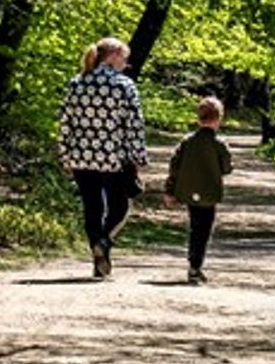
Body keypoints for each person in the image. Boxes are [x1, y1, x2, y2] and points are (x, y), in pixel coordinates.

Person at [58, 37, 147, 279]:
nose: (126, 64)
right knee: (120, 206)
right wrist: (138, 157)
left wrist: (65, 154)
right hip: (112, 158)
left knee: (92, 207)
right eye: (124, 58)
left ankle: (98, 253)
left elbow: (66, 123)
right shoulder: (124, 86)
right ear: (114, 55)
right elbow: (134, 126)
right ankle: (104, 242)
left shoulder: (76, 83)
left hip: (81, 156)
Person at [163, 96, 234, 285]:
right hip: (209, 193)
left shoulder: (187, 142)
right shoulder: (219, 144)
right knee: (204, 229)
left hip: (189, 191)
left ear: (198, 118)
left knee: (195, 226)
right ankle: (195, 266)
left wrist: (169, 190)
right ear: (219, 118)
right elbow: (227, 168)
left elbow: (174, 166)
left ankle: (193, 263)